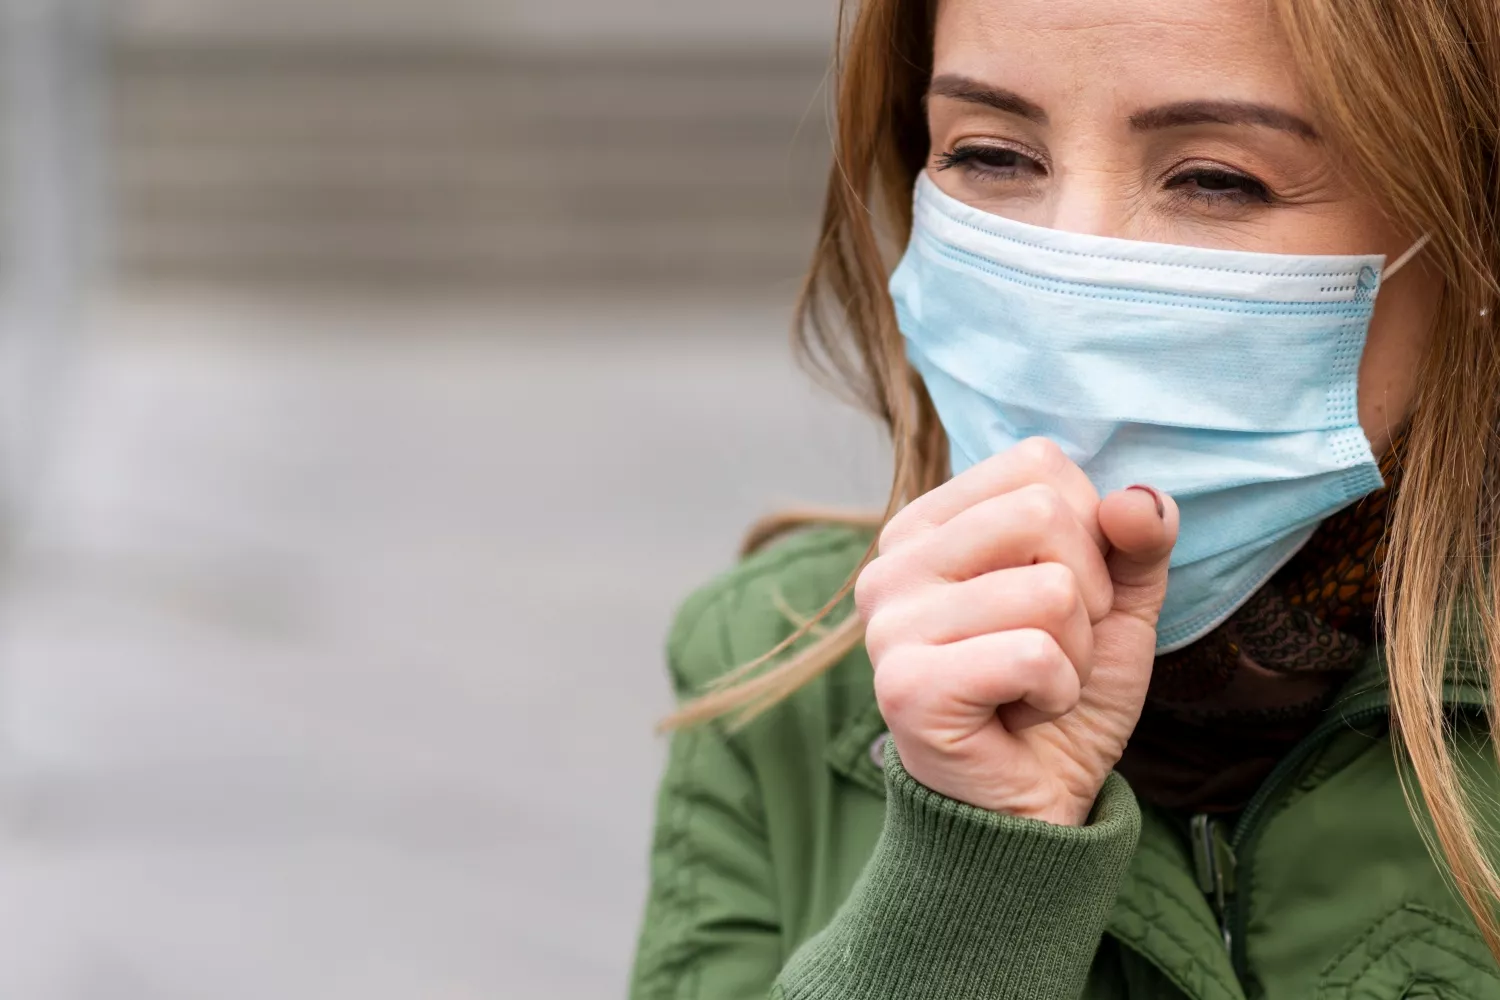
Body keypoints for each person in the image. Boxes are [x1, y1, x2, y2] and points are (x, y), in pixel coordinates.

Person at [629, 0, 1500, 996]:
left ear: (1472, 223)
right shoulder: (769, 663)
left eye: (1217, 178)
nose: (1073, 271)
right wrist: (969, 878)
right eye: (991, 156)